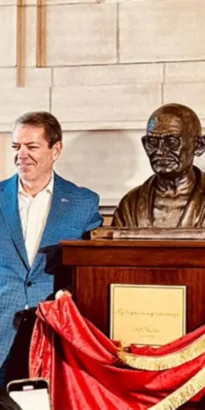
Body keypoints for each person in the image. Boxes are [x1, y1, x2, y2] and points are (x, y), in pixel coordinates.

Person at [0, 111, 103, 387]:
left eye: (32, 146)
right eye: (16, 146)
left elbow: (90, 271)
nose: (22, 155)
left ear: (56, 149)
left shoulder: (83, 203)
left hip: (51, 333)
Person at [112, 103, 205, 228]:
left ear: (199, 145)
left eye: (172, 141)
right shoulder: (130, 205)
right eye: (153, 142)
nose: (160, 151)